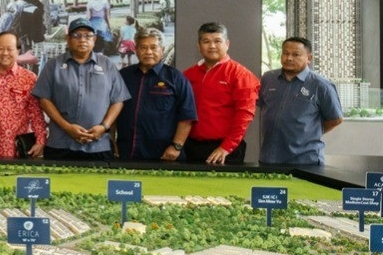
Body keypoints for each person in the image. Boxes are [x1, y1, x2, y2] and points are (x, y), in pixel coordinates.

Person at [32, 18, 129, 160]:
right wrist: (67, 127)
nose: (82, 40)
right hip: (60, 144)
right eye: (77, 35)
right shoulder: (53, 65)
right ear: (68, 39)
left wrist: (104, 127)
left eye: (88, 36)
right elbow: (44, 100)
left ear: (94, 39)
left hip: (98, 144)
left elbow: (118, 100)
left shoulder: (107, 64)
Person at [113, 27, 196, 161]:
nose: (148, 52)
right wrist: (112, 142)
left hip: (165, 154)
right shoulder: (123, 76)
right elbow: (111, 111)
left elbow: (187, 116)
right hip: (126, 152)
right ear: (136, 50)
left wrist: (176, 146)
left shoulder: (176, 78)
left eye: (153, 47)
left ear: (162, 50)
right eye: (143, 47)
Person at [258, 36, 343, 166]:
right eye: (285, 53)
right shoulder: (268, 78)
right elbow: (262, 106)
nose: (289, 58)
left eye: (296, 54)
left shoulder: (321, 85)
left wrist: (308, 133)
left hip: (305, 160)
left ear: (309, 58)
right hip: (269, 158)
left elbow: (335, 119)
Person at [182, 21, 260, 165]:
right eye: (206, 41)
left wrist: (226, 147)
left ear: (227, 44)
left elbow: (244, 115)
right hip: (191, 147)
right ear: (198, 46)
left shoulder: (241, 75)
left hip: (225, 150)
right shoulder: (188, 75)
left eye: (217, 41)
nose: (212, 46)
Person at [0, 32, 47, 159]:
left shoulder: (29, 78)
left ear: (18, 51)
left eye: (9, 49)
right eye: (0, 49)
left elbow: (36, 113)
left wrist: (41, 140)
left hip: (16, 147)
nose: (5, 53)